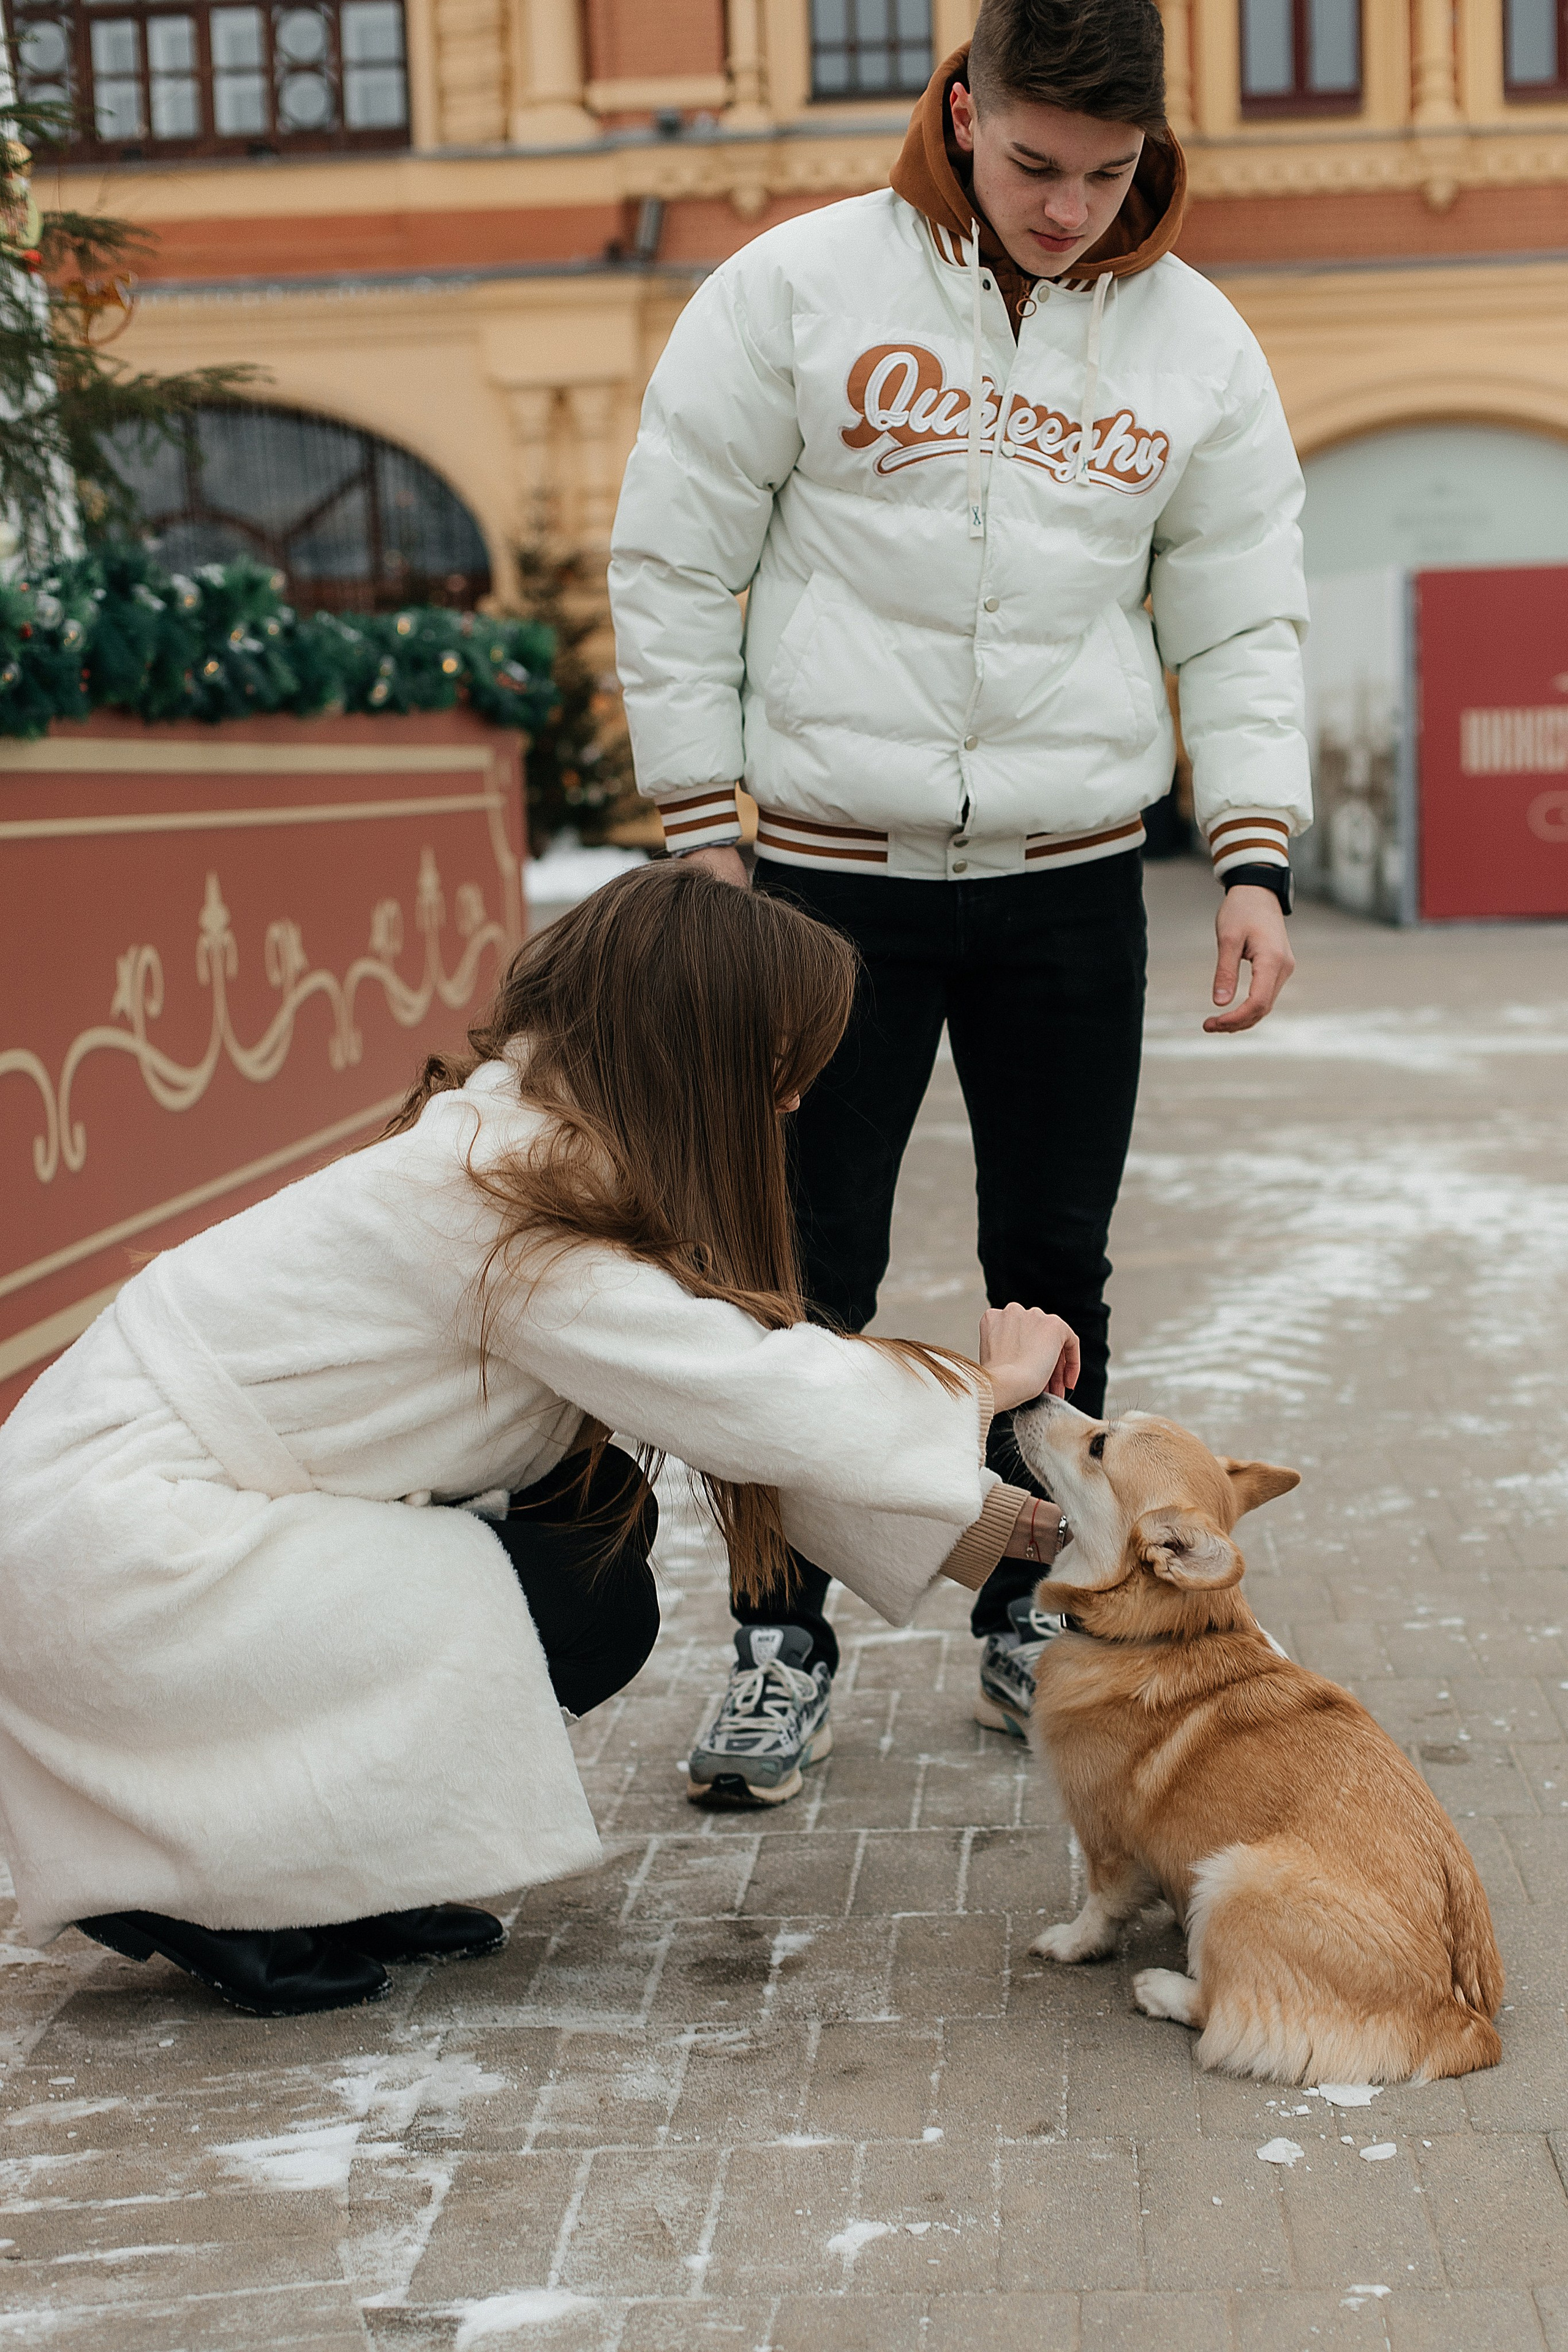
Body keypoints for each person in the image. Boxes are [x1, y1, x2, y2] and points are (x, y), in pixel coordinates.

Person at [608, 0, 1310, 1795]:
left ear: (1150, 147)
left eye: (1109, 172)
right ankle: (780, 1640)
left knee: (1054, 1272)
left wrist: (1250, 850)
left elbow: (1236, 611)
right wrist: (706, 833)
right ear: (962, 106)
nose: (1069, 208)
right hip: (828, 889)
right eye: (1032, 166)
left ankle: (1026, 1614)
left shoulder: (1197, 343)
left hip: (1075, 890)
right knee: (794, 1288)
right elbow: (680, 556)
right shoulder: (795, 292)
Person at [0, 864, 1077, 2017]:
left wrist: (1031, 1528)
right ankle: (203, 1881)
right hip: (118, 1561)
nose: (797, 1104)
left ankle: (331, 1865)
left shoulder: (533, 1150)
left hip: (143, 1534)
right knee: (584, 1582)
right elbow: (750, 1390)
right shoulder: (505, 1198)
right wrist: (980, 1385)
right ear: (697, 1054)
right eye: (779, 1069)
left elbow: (722, 1420)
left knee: (589, 1514)